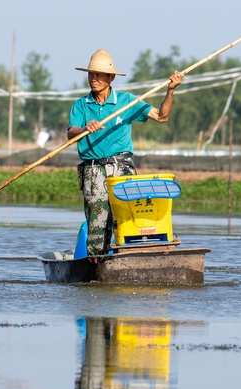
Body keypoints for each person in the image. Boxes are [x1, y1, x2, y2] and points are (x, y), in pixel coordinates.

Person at [68, 49, 183, 259]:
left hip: (121, 168)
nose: (94, 79)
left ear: (111, 78)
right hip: (93, 170)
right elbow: (71, 133)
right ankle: (96, 261)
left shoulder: (126, 101)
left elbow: (161, 116)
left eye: (99, 75)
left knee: (126, 216)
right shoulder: (81, 105)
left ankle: (128, 257)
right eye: (91, 74)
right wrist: (85, 129)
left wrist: (171, 90)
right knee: (97, 218)